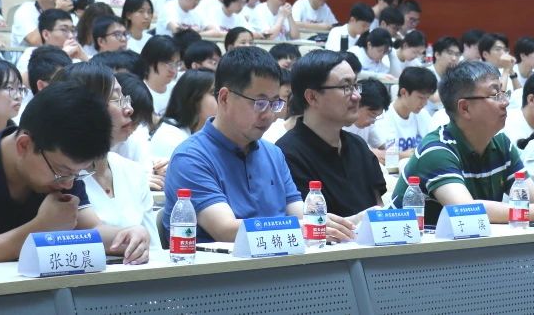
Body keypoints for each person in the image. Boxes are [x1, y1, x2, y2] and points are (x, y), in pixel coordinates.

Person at [0, 80, 151, 270]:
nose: (69, 183)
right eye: (63, 172)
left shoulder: (62, 172)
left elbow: (92, 230)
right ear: (24, 145)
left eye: (78, 174)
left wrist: (127, 235)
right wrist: (39, 229)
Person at [162, 47, 353, 244]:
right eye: (260, 103)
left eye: (274, 103)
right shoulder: (191, 157)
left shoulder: (274, 154)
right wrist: (301, 227)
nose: (269, 114)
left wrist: (351, 223)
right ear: (225, 98)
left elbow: (301, 216)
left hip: (280, 259)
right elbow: (226, 230)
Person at [389, 60, 534, 225]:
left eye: (503, 93)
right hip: (408, 254)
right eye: (495, 95)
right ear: (465, 108)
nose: (505, 102)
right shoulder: (436, 150)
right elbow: (466, 210)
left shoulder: (502, 144)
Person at [48, 62, 156, 245]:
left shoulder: (133, 171)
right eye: (115, 99)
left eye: (124, 98)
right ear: (83, 110)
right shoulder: (61, 175)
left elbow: (153, 248)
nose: (129, 109)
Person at [277, 50, 385, 221]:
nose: (357, 96)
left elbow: (379, 210)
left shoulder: (359, 146)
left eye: (355, 85)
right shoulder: (286, 154)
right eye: (346, 87)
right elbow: (310, 224)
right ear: (312, 97)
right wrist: (359, 221)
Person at [149, 70, 216, 160]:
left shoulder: (204, 134)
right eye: (214, 93)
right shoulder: (170, 136)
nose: (222, 99)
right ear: (192, 99)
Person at [374, 67, 437, 160]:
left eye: (427, 98)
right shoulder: (383, 118)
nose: (425, 103)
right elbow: (383, 157)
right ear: (404, 92)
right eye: (421, 97)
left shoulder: (423, 114)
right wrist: (404, 155)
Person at [15, 9, 87, 76]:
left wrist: (83, 57)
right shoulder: (31, 54)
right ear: (46, 34)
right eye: (64, 30)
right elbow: (24, 80)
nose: (71, 36)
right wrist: (62, 56)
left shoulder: (77, 55)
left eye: (73, 30)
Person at [140, 35, 180, 117]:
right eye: (169, 63)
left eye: (177, 63)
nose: (173, 70)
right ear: (151, 61)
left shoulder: (177, 89)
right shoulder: (139, 92)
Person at [426, 36, 462, 114]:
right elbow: (435, 98)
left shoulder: (454, 76)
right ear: (437, 54)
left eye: (457, 54)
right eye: (450, 53)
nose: (454, 58)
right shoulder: (425, 73)